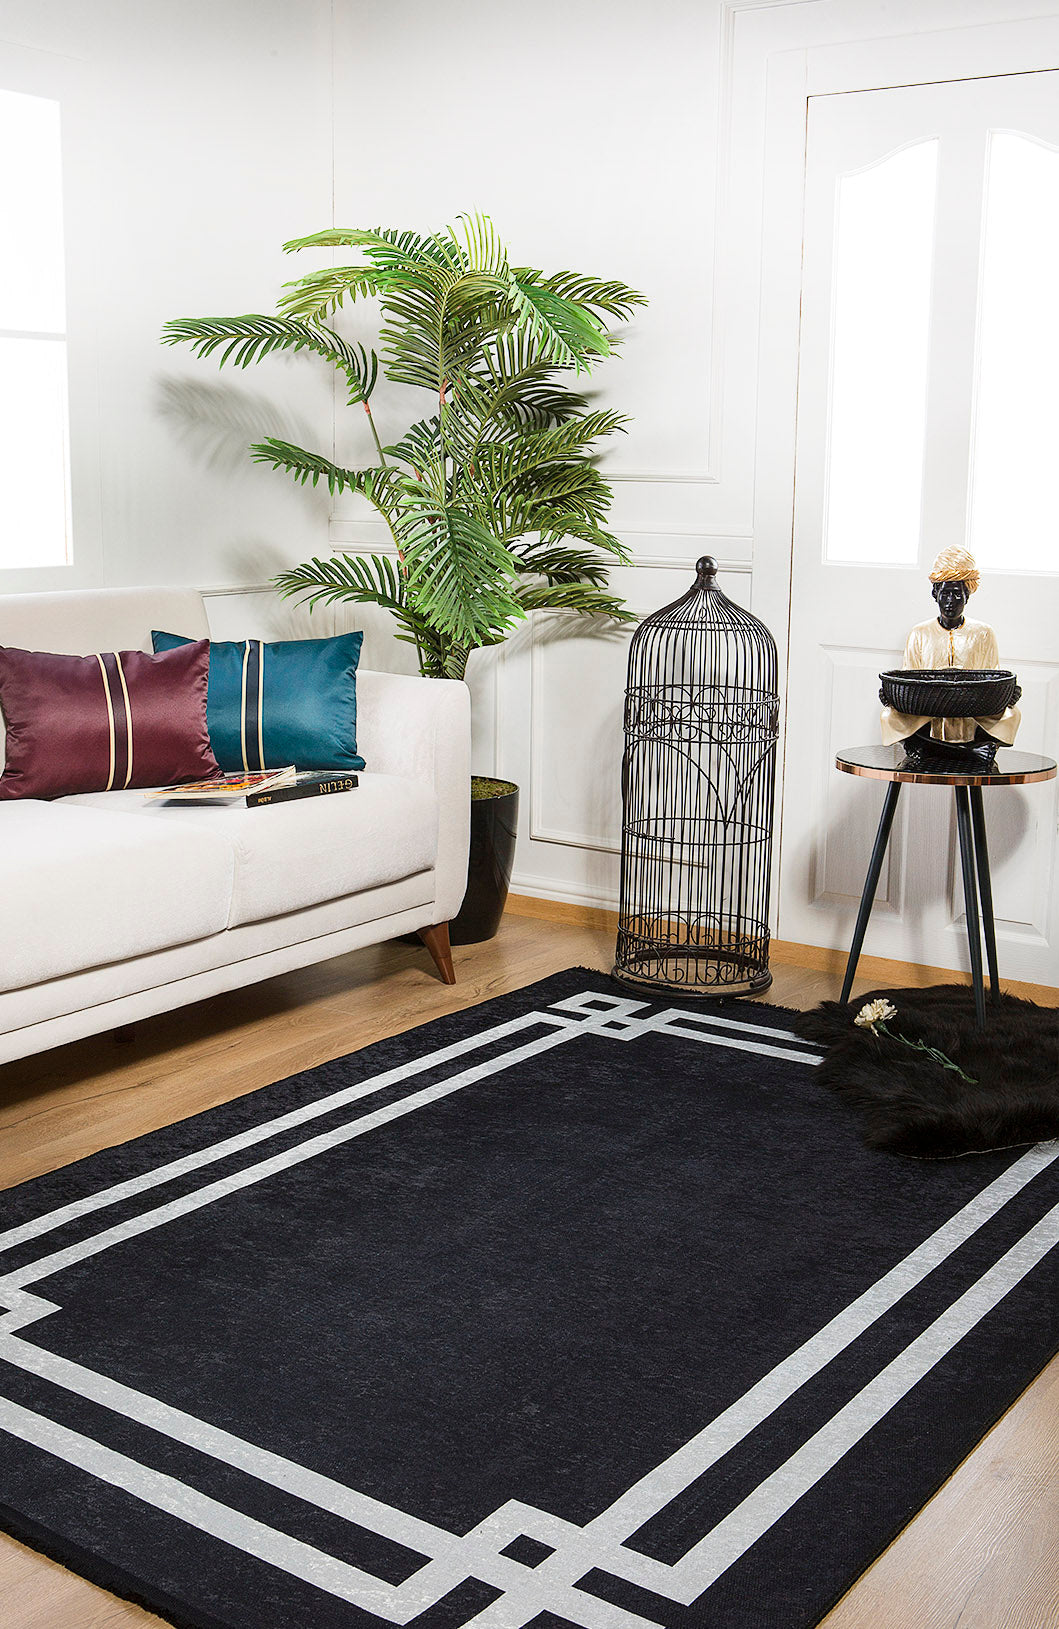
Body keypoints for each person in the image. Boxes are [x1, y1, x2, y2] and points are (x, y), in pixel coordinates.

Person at [880, 546, 1020, 761]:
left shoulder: (983, 633)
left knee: (1012, 714)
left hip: (972, 707)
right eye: (945, 593)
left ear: (967, 596)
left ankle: (943, 748)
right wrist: (893, 697)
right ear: (935, 594)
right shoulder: (919, 633)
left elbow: (993, 676)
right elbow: (909, 677)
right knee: (889, 716)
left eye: (957, 594)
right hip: (928, 708)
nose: (950, 601)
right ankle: (961, 752)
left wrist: (1007, 694)